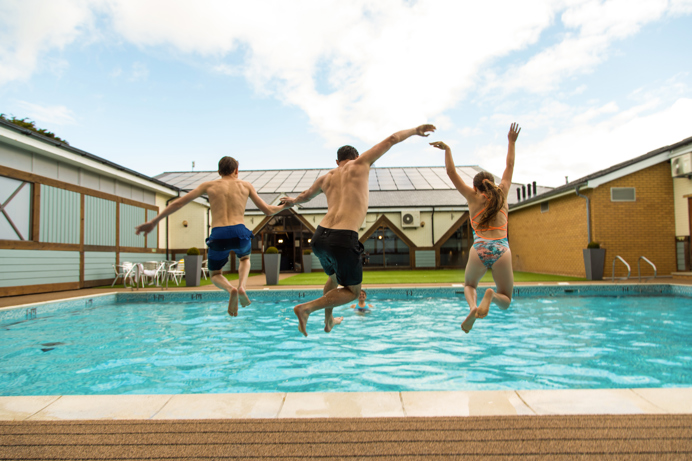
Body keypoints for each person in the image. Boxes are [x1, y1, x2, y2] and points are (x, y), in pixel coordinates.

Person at [281, 124, 436, 336]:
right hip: (343, 238)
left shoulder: (326, 177)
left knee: (334, 278)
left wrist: (291, 201)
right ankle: (306, 309)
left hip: (319, 237)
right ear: (355, 157)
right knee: (353, 292)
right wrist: (415, 131)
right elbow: (391, 138)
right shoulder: (362, 163)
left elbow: (305, 196)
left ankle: (329, 321)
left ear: (337, 162)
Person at [135, 156, 290, 316]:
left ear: (219, 171)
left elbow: (178, 203)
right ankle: (242, 286)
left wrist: (154, 221)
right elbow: (267, 210)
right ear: (236, 170)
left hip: (219, 234)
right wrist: (285, 206)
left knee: (215, 274)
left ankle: (231, 290)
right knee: (244, 259)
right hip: (239, 231)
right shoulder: (245, 186)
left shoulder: (209, 185)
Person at [430, 123, 521, 333]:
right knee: (506, 299)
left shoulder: (472, 197)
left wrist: (448, 150)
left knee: (470, 285)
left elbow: (451, 173)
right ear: (493, 183)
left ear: (475, 187)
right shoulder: (503, 192)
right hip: (501, 248)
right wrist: (511, 141)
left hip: (479, 248)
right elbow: (509, 165)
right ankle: (491, 295)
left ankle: (473, 307)